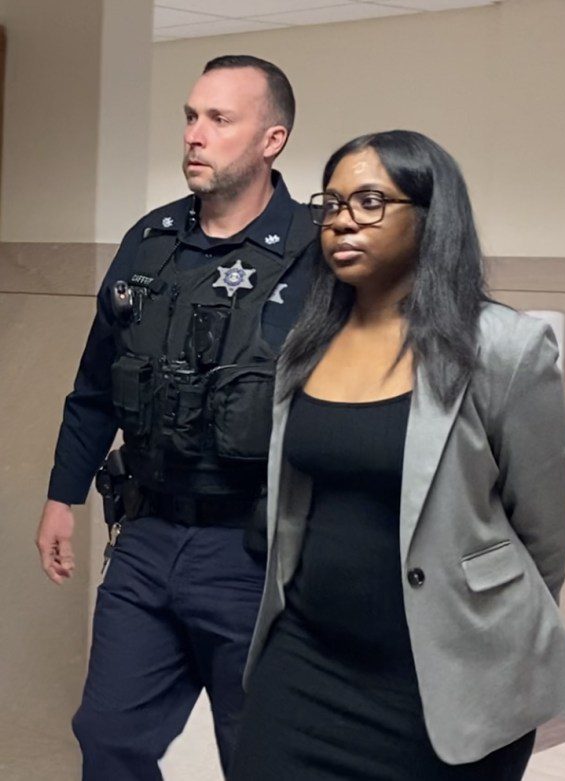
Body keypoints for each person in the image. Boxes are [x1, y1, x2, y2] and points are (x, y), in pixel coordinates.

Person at [229, 130, 565, 780]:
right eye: (333, 202)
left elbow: (544, 529)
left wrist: (496, 641)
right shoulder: (306, 344)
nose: (342, 219)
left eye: (370, 201)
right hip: (306, 660)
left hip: (445, 683)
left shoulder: (502, 348)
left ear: (430, 217)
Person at [35, 55, 318, 779]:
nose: (195, 134)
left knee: (260, 753)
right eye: (191, 116)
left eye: (219, 119)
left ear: (271, 139)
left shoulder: (318, 255)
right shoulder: (150, 242)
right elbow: (97, 382)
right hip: (149, 532)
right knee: (108, 737)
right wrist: (62, 495)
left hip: (255, 551)